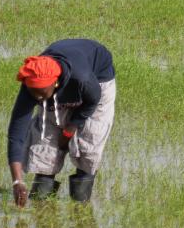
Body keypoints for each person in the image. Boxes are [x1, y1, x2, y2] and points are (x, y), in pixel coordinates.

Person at [7, 38, 117, 207]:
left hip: (98, 80)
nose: (37, 98)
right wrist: (17, 181)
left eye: (41, 94)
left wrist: (71, 128)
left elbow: (93, 100)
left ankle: (80, 207)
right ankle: (41, 208)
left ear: (55, 83)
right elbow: (16, 133)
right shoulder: (32, 85)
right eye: (33, 93)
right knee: (46, 144)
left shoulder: (83, 79)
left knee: (88, 144)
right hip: (66, 79)